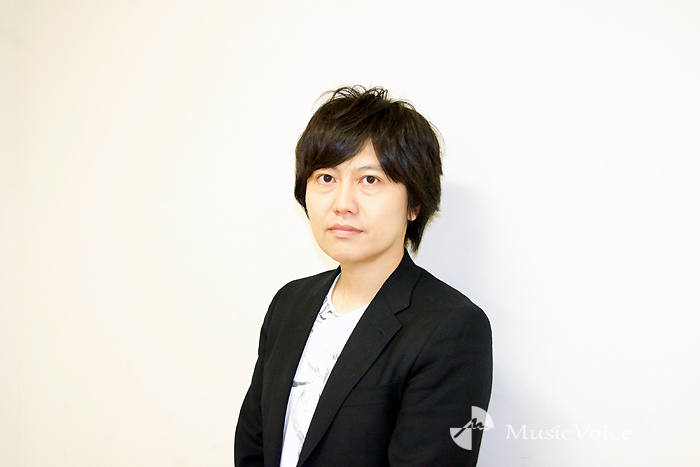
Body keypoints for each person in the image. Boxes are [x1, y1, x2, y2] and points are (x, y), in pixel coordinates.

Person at [234, 86, 493, 466]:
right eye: (326, 178)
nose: (342, 204)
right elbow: (253, 446)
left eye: (370, 180)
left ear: (414, 203)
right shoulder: (290, 303)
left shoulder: (452, 328)